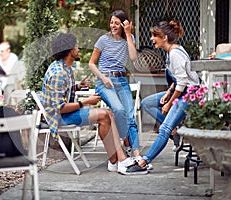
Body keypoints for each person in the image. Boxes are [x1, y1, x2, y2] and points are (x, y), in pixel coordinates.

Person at [41, 32, 147, 175]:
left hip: (64, 114)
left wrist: (77, 86)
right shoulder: (59, 72)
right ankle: (120, 161)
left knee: (108, 114)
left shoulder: (64, 67)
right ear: (70, 50)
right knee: (104, 115)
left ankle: (116, 161)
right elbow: (59, 108)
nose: (78, 49)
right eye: (76, 46)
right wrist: (85, 102)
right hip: (58, 118)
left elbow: (61, 92)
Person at [137, 20, 200, 168]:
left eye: (155, 36)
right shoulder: (172, 51)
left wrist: (170, 103)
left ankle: (144, 162)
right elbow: (178, 79)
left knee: (163, 128)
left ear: (164, 37)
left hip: (189, 94)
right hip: (180, 90)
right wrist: (169, 92)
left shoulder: (175, 54)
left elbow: (183, 82)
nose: (152, 39)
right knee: (147, 103)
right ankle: (174, 131)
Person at [88, 10, 145, 165]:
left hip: (121, 80)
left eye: (117, 23)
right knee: (119, 110)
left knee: (130, 116)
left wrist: (128, 34)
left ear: (124, 24)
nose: (113, 25)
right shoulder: (103, 40)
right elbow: (91, 63)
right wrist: (103, 78)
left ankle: (136, 154)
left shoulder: (129, 38)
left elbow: (133, 57)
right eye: (112, 22)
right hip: (105, 81)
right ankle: (126, 142)